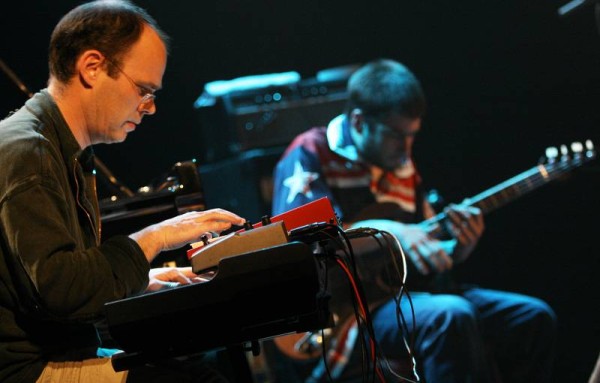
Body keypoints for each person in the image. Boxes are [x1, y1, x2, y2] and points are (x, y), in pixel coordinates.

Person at [268, 58, 558, 382]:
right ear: (359, 121)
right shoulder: (311, 152)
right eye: (396, 135)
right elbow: (308, 241)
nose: (407, 147)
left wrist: (458, 247)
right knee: (449, 315)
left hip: (407, 293)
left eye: (412, 135)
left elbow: (424, 245)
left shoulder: (399, 159)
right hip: (350, 312)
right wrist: (393, 232)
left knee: (531, 317)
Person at [0, 1, 246, 382]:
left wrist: (140, 280)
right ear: (92, 67)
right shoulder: (27, 150)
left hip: (62, 348)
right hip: (30, 369)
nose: (150, 108)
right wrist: (154, 238)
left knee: (197, 364)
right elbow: (61, 290)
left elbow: (46, 287)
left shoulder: (58, 148)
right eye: (144, 89)